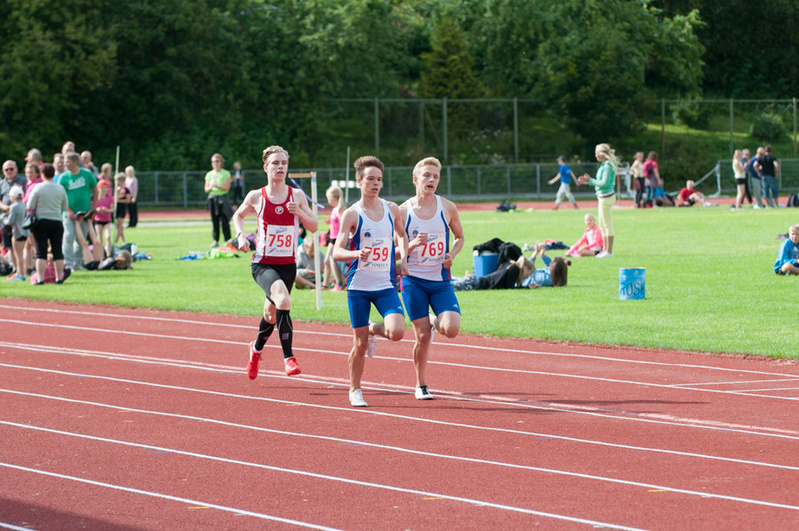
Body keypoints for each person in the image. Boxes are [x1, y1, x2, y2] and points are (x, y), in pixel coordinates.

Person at [232, 145, 318, 380]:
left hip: (287, 265)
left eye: (284, 163)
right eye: (275, 163)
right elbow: (238, 215)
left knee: (271, 315)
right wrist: (240, 236)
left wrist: (300, 213)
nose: (280, 167)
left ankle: (255, 349)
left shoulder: (297, 196)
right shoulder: (256, 196)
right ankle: (289, 358)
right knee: (283, 300)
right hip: (263, 263)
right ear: (266, 167)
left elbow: (313, 226)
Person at [332, 155, 409, 407]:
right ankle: (355, 389)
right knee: (360, 343)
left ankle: (372, 328)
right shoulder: (351, 214)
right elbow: (336, 252)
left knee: (397, 332)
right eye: (370, 179)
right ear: (359, 181)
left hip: (385, 284)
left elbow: (402, 235)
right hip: (359, 287)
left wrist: (404, 259)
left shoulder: (391, 209)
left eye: (379, 179)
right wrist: (356, 253)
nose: (376, 184)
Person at [399, 156, 464, 400]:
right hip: (413, 280)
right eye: (426, 175)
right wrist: (411, 246)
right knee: (423, 336)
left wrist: (452, 255)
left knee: (451, 329)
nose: (431, 180)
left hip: (440, 281)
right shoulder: (402, 211)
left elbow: (460, 237)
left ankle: (433, 320)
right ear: (415, 179)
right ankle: (421, 385)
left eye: (435, 176)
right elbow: (394, 249)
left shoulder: (447, 207)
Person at [26, 163, 70, 284]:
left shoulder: (38, 187)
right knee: (57, 251)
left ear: (42, 174)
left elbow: (30, 205)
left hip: (41, 221)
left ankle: (40, 278)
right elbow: (65, 206)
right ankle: (59, 278)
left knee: (41, 252)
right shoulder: (60, 188)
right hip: (56, 221)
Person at [58, 152, 102, 271]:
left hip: (85, 213)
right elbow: (61, 196)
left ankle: (77, 262)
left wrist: (94, 208)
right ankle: (68, 263)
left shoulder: (86, 174)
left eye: (68, 162)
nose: (65, 164)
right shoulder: (63, 177)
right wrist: (68, 210)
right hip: (69, 214)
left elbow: (95, 190)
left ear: (75, 162)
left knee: (81, 239)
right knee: (68, 236)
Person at [577, 143, 618, 258]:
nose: (595, 155)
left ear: (602, 153)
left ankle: (609, 251)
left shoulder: (607, 165)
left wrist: (590, 181)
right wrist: (589, 181)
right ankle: (605, 250)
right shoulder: (605, 165)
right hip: (602, 197)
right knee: (602, 224)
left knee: (607, 224)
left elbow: (604, 183)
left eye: (597, 153)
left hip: (606, 197)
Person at [2, 186, 30, 281]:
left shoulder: (13, 206)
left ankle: (21, 274)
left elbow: (10, 221)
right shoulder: (23, 205)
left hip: (17, 232)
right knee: (21, 253)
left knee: (18, 255)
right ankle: (20, 273)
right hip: (24, 231)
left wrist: (3, 219)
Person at [1, 160, 28, 257]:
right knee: (9, 245)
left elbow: (27, 197)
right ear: (3, 171)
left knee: (22, 246)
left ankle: (23, 265)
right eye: (6, 169)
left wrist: (15, 207)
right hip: (7, 217)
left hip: (21, 219)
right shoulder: (1, 184)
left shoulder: (23, 181)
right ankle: (14, 265)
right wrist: (6, 208)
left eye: (11, 169)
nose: (9, 171)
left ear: (16, 169)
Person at [205, 153, 233, 247]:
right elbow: (206, 189)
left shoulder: (225, 173)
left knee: (225, 219)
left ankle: (228, 240)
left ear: (221, 162)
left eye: (217, 161)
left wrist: (217, 185)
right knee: (215, 221)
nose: (215, 163)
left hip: (223, 198)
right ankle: (215, 240)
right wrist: (211, 186)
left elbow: (226, 188)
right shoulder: (209, 174)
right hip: (212, 198)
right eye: (213, 161)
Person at [322, 185, 347, 291]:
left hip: (337, 240)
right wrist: (330, 222)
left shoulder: (341, 210)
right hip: (332, 239)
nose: (328, 201)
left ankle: (339, 283)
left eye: (328, 198)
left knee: (331, 259)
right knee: (328, 260)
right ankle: (326, 284)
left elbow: (344, 225)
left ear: (333, 198)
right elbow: (335, 225)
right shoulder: (334, 210)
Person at [93, 181, 115, 258]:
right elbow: (92, 209)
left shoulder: (109, 198)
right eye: (102, 188)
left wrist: (106, 210)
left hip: (107, 220)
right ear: (98, 189)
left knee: (108, 237)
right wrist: (97, 210)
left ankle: (109, 255)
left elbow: (112, 209)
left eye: (105, 188)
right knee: (100, 239)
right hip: (98, 220)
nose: (104, 190)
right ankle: (101, 256)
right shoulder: (96, 198)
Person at [114, 173, 130, 247]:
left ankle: (116, 241)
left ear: (121, 181)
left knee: (119, 226)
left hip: (122, 209)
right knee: (119, 226)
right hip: (116, 209)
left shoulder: (126, 190)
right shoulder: (116, 189)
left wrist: (118, 200)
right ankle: (124, 241)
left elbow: (128, 200)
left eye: (116, 180)